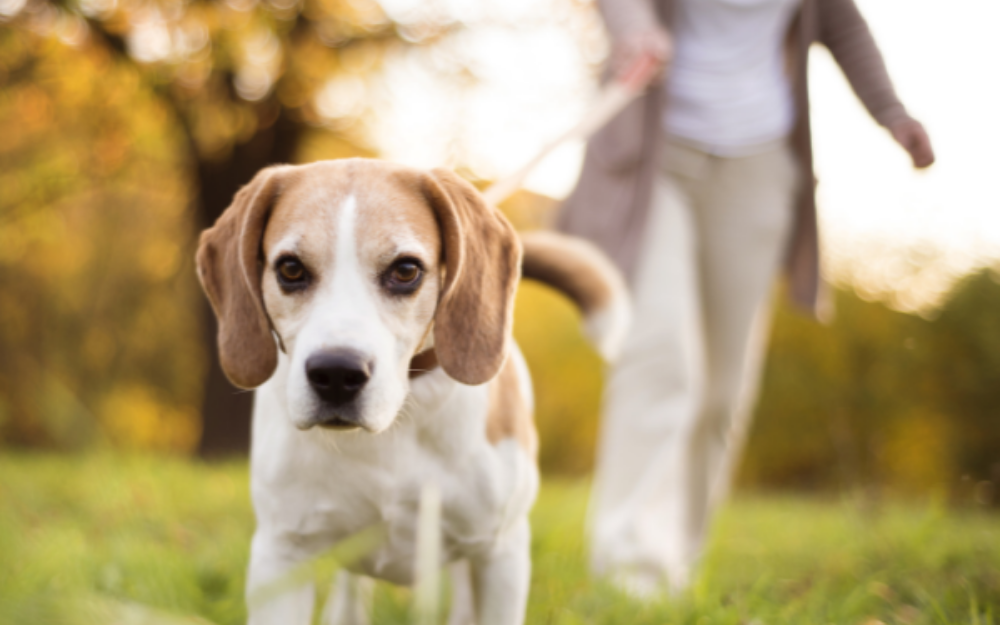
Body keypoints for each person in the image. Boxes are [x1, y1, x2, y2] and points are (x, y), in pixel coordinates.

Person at [557, 0, 935, 596]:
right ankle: (630, 571)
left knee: (722, 388)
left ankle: (674, 563)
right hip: (656, 153)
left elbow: (840, 21)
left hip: (759, 165)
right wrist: (636, 28)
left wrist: (892, 112)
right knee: (660, 355)